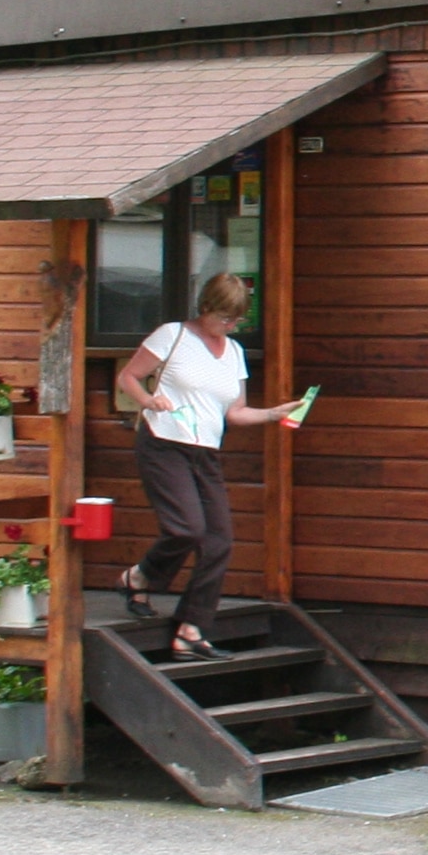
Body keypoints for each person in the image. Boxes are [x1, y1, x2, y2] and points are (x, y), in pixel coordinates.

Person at [113, 274, 303, 660]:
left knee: (219, 542)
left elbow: (234, 412)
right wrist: (149, 401)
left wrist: (273, 413)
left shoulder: (233, 352)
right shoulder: (173, 336)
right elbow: (128, 377)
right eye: (224, 318)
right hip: (164, 443)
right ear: (205, 308)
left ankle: (191, 628)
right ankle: (141, 575)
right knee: (186, 528)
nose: (230, 326)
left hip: (206, 452)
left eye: (236, 320)